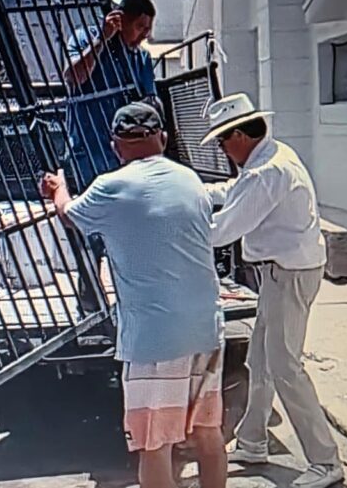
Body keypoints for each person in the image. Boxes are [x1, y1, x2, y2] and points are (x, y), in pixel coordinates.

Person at [40, 102, 226, 488]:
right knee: (208, 432)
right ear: (163, 139)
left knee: (154, 444)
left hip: (154, 341)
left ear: (115, 146)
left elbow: (68, 213)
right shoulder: (189, 179)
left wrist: (59, 188)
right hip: (206, 329)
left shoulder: (110, 187)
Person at [202, 93, 343, 488]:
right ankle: (252, 439)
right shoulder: (270, 157)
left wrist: (177, 225)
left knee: (285, 367)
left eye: (222, 141)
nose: (222, 149)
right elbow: (237, 191)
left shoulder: (267, 172)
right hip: (283, 270)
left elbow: (223, 231)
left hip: (288, 273)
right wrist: (200, 192)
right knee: (260, 361)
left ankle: (326, 461)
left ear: (239, 137)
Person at [63, 0, 159, 191]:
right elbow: (73, 77)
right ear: (120, 20)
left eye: (148, 29)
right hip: (88, 149)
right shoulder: (84, 39)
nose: (145, 36)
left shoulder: (141, 57)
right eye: (140, 27)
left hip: (127, 154)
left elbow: (150, 102)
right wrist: (102, 38)